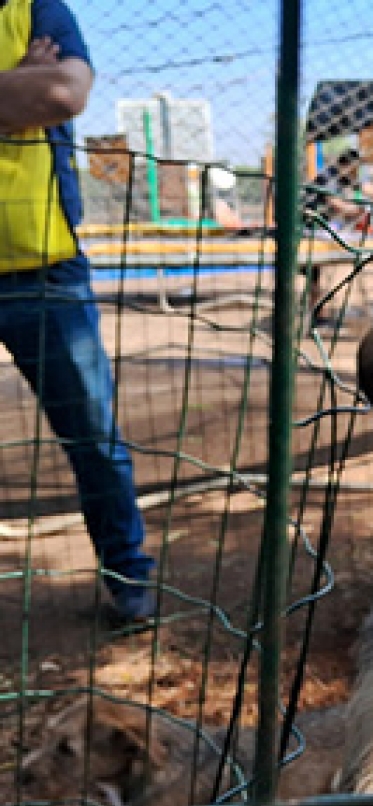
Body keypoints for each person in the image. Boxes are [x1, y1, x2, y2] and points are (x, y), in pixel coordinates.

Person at [0, 0, 156, 625]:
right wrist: (16, 88)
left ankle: (129, 577)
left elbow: (64, 92)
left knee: (93, 437)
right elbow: (40, 93)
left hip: (47, 265)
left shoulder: (37, 7)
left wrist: (38, 88)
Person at [303, 147, 373, 234]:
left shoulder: (348, 177)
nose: (356, 173)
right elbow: (341, 207)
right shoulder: (328, 177)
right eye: (354, 169)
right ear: (343, 167)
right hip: (312, 223)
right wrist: (363, 208)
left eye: (357, 168)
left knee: (369, 209)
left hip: (330, 222)